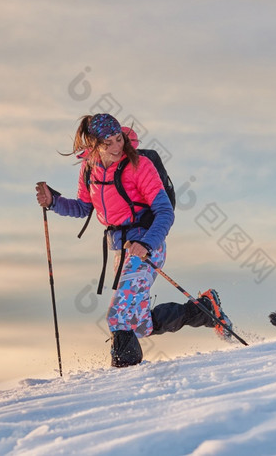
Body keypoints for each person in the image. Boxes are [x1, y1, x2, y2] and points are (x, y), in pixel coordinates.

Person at [36, 113, 232, 367]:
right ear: (94, 145)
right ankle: (204, 310)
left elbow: (165, 212)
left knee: (119, 316)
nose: (118, 147)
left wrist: (147, 244)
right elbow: (84, 207)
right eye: (109, 143)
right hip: (120, 248)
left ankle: (124, 376)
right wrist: (53, 202)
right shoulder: (89, 169)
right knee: (138, 323)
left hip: (148, 244)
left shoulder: (139, 165)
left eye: (119, 139)